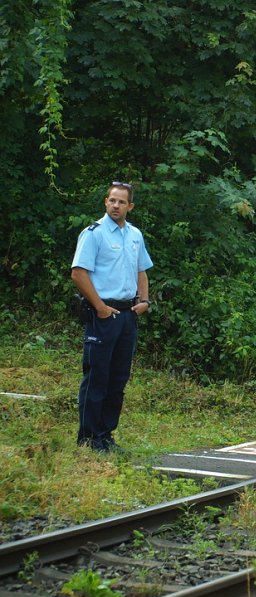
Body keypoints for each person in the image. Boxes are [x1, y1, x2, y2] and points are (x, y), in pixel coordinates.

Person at [71, 181, 154, 452]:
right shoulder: (93, 234)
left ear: (130, 206)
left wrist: (144, 300)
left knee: (118, 378)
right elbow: (79, 273)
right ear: (105, 202)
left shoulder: (134, 235)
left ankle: (106, 436)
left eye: (121, 202)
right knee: (97, 376)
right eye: (112, 200)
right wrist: (100, 308)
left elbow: (142, 270)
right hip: (103, 313)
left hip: (128, 313)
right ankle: (88, 438)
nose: (115, 205)